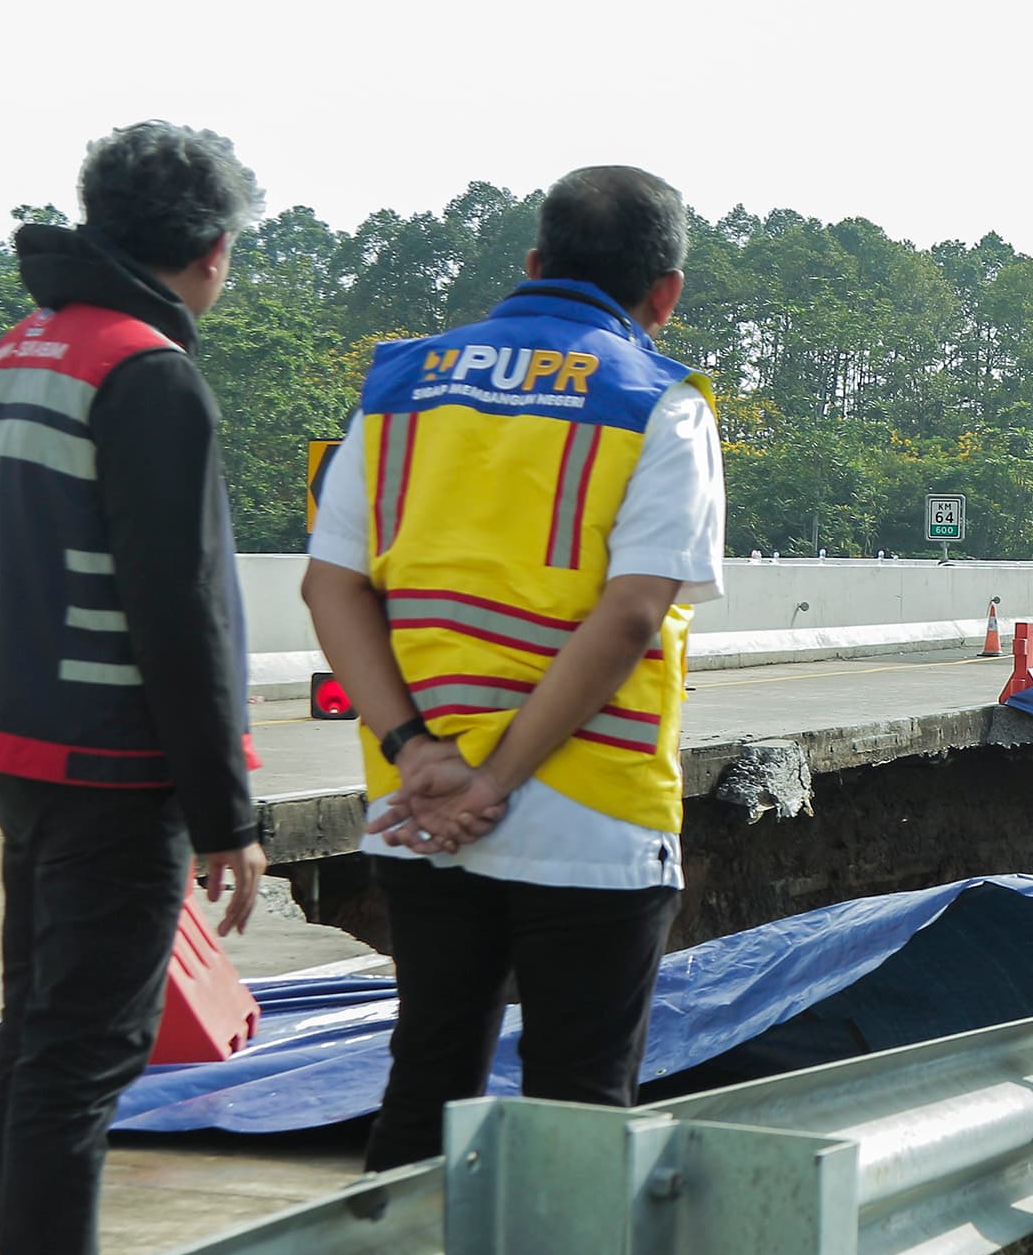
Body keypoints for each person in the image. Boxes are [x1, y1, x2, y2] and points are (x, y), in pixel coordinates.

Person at [303, 165, 724, 1172]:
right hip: (591, 811)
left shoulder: (400, 387)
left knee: (425, 1084)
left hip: (419, 807)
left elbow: (330, 586)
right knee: (578, 1112)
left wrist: (418, 752)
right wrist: (493, 779)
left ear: (534, 264)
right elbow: (631, 612)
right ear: (665, 292)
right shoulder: (661, 404)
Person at [0, 122, 269, 1255]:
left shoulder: (22, 348)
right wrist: (226, 813)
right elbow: (180, 609)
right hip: (110, 759)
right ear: (213, 249)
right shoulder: (147, 372)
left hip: (16, 741)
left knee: (38, 1033)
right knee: (83, 1051)